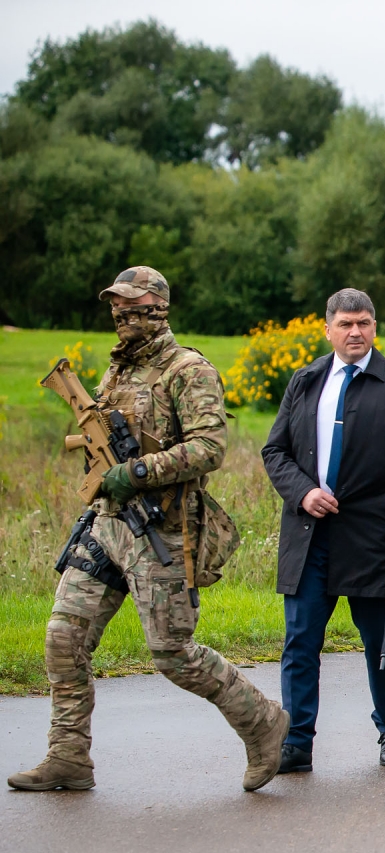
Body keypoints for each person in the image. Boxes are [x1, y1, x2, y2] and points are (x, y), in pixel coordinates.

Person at [8, 266, 288, 793]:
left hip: (162, 529)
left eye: (132, 305)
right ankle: (68, 757)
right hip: (107, 526)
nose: (121, 315)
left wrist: (135, 471)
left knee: (171, 653)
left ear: (158, 308)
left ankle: (263, 722)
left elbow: (210, 449)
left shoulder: (188, 370)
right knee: (63, 639)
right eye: (116, 305)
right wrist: (99, 466)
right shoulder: (116, 373)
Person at [261, 288, 385, 772]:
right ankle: (296, 741)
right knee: (300, 640)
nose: (355, 332)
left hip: (376, 537)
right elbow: (274, 451)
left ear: (374, 328)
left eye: (363, 323)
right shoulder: (304, 381)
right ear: (328, 330)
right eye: (345, 324)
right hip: (310, 535)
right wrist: (302, 491)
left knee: (381, 640)